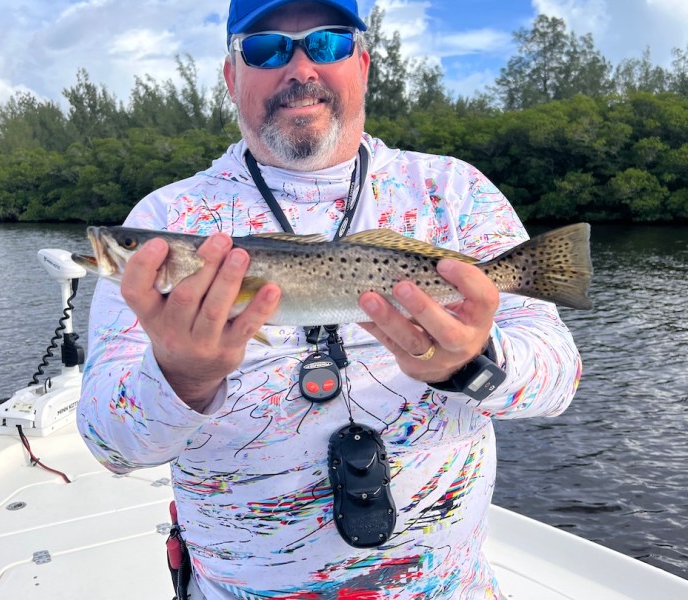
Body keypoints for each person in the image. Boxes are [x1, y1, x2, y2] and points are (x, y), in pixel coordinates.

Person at [76, 0, 583, 597]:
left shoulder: (453, 192)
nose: (299, 68)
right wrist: (180, 376)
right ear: (232, 75)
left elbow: (560, 382)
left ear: (363, 63)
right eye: (266, 48)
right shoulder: (167, 216)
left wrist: (471, 363)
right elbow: (111, 446)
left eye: (328, 45)